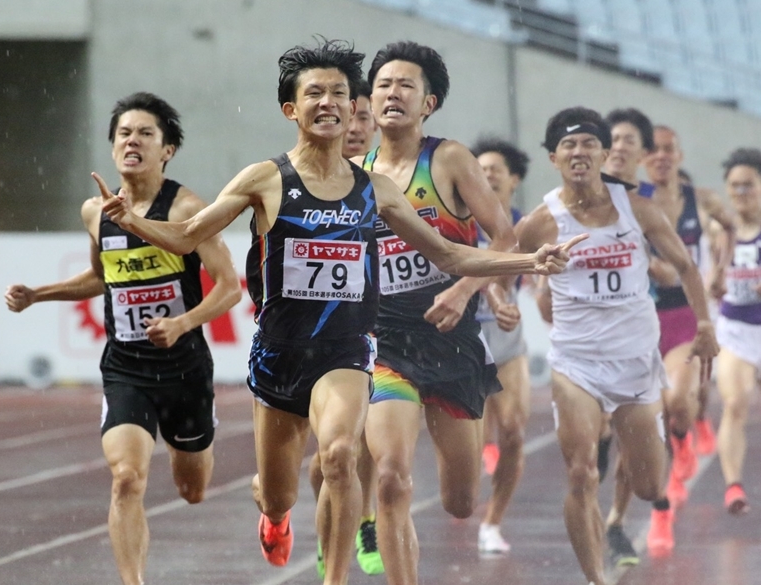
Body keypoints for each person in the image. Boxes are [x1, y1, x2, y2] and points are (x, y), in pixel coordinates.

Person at [95, 39, 580, 585]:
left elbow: (445, 252)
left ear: (355, 108)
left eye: (339, 94)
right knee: (279, 492)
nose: (328, 103)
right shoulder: (264, 179)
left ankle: (335, 579)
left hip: (347, 351)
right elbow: (186, 236)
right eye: (314, 94)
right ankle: (274, 515)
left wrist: (527, 260)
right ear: (291, 109)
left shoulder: (374, 188)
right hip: (280, 353)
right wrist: (132, 221)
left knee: (341, 456)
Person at [4, 92, 243, 585]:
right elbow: (101, 279)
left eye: (145, 134)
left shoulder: (187, 207)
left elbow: (229, 288)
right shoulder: (96, 212)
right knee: (127, 479)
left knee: (193, 490)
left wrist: (181, 323)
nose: (132, 141)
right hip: (126, 368)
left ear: (166, 150)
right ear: (113, 147)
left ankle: (199, 434)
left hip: (184, 369)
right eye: (123, 134)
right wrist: (39, 294)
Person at [513, 106, 719, 585]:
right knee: (582, 472)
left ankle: (647, 465)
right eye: (568, 145)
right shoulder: (544, 221)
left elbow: (686, 267)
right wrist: (509, 293)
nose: (579, 152)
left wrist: (705, 325)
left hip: (634, 362)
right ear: (553, 158)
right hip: (576, 363)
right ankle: (594, 578)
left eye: (589, 143)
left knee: (650, 486)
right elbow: (503, 260)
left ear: (606, 154)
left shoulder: (638, 209)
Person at [359, 41, 524, 585]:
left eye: (406, 84)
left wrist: (464, 292)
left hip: (453, 344)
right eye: (383, 84)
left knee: (459, 501)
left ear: (429, 102)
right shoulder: (355, 171)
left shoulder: (448, 159)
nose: (392, 93)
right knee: (390, 478)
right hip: (387, 345)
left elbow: (504, 236)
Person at [305, 77, 384, 578]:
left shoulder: (386, 180)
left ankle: (366, 521)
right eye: (348, 118)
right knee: (330, 459)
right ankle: (329, 528)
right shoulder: (309, 177)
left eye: (363, 119)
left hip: (374, 329)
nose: (355, 128)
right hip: (310, 337)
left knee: (364, 445)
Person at [641, 125, 734, 510]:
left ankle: (684, 434)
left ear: (679, 156)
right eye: (655, 151)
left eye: (669, 150)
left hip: (686, 315)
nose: (662, 156)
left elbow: (730, 227)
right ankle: (679, 446)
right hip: (644, 317)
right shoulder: (631, 201)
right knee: (656, 412)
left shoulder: (703, 199)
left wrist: (721, 270)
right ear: (643, 159)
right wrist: (649, 264)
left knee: (679, 400)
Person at [470, 137, 532, 554]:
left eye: (496, 169)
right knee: (468, 451)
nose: (488, 173)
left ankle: (493, 522)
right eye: (481, 167)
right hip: (462, 335)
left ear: (514, 179)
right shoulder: (456, 219)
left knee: (514, 430)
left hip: (506, 333)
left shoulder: (526, 226)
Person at [600, 107, 655, 567]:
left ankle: (616, 521)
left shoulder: (648, 205)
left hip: (635, 338)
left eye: (628, 140)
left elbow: (683, 267)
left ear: (643, 153)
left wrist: (658, 268)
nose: (618, 147)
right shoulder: (563, 201)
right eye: (611, 138)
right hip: (579, 342)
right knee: (588, 446)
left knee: (631, 449)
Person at [714, 148, 761, 514]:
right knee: (734, 403)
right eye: (735, 186)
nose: (740, 193)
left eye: (748, 185)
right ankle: (733, 486)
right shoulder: (721, 229)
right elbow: (707, 274)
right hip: (736, 326)